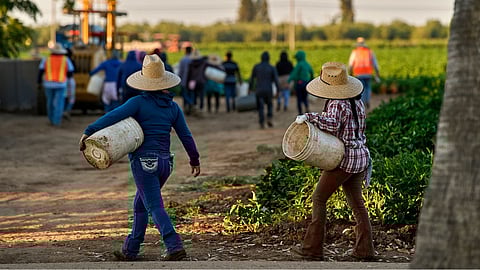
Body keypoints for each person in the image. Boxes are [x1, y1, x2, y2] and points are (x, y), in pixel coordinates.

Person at [78, 54, 201, 261]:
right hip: (165, 164)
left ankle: (174, 245)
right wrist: (194, 159)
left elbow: (113, 116)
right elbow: (185, 135)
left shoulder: (138, 102)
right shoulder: (173, 107)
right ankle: (131, 250)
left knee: (154, 206)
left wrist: (89, 131)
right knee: (140, 205)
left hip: (145, 163)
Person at [292, 62, 374, 261]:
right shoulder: (357, 101)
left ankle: (312, 249)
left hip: (344, 159)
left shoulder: (338, 103)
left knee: (319, 199)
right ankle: (365, 251)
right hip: (361, 157)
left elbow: (332, 123)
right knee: (358, 205)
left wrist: (309, 117)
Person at [37, 43, 75, 127]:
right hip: (61, 84)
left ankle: (51, 119)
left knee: (50, 102)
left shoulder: (46, 59)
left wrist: (39, 82)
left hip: (48, 84)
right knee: (59, 103)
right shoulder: (65, 59)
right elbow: (70, 72)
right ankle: (56, 121)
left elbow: (40, 72)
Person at [249, 51, 280, 129]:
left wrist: (250, 88)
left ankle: (261, 122)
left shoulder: (256, 67)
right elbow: (276, 80)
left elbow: (252, 79)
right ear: (269, 58)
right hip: (268, 90)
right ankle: (269, 118)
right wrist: (278, 90)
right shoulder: (271, 67)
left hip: (259, 89)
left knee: (260, 106)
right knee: (269, 104)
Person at [348, 37, 381, 109]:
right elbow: (375, 64)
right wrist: (377, 73)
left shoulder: (355, 52)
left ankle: (362, 104)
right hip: (368, 73)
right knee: (368, 88)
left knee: (361, 89)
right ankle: (367, 101)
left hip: (358, 73)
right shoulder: (369, 52)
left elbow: (350, 64)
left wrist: (350, 73)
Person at [288, 50, 314, 115]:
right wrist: (311, 81)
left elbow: (294, 74)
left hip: (299, 83)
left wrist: (289, 80)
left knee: (299, 99)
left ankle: (300, 112)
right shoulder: (307, 64)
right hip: (306, 83)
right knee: (305, 97)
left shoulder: (299, 65)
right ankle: (307, 107)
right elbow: (311, 73)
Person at [63, 47, 76, 119]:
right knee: (71, 98)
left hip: (62, 80)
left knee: (64, 97)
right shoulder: (70, 61)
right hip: (70, 80)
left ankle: (63, 110)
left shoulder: (61, 60)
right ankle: (67, 111)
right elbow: (72, 71)